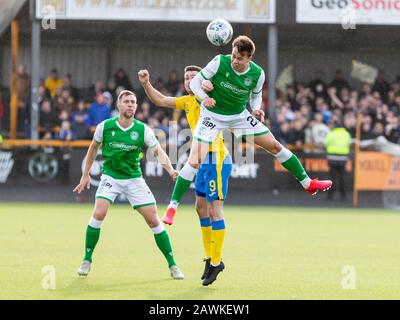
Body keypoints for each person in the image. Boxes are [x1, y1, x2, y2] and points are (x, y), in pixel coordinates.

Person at [162, 35, 332, 238]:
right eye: (233, 55)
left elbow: (256, 95)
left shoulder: (258, 74)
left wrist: (257, 109)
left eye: (239, 58)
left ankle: (308, 184)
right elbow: (196, 85)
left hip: (239, 117)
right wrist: (205, 98)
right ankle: (172, 207)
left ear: (248, 58)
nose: (234, 60)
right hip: (212, 116)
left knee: (275, 146)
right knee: (195, 160)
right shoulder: (219, 62)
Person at [73, 90, 184, 280]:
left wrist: (171, 170)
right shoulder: (105, 127)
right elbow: (93, 148)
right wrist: (85, 175)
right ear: (119, 105)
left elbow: (158, 151)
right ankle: (87, 260)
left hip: (134, 179)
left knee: (153, 220)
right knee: (99, 212)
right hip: (110, 177)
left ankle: (173, 265)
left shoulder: (143, 130)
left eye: (133, 102)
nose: (130, 104)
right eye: (126, 102)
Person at [138, 66, 233, 286]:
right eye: (186, 77)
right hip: (202, 160)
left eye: (193, 77)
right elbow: (161, 99)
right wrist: (145, 83)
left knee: (214, 210)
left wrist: (212, 85)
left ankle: (217, 261)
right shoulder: (188, 101)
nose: (189, 80)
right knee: (201, 209)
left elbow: (220, 94)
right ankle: (210, 258)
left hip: (216, 159)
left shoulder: (208, 98)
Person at [325, 121, 352, 200]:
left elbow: (327, 143)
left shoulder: (331, 133)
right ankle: (343, 195)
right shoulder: (346, 134)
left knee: (332, 177)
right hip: (343, 158)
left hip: (332, 157)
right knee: (342, 177)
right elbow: (348, 144)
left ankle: (330, 195)